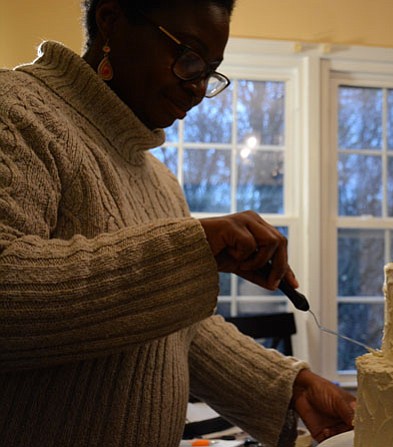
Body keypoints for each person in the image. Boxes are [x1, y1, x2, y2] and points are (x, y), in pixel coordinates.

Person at [0, 0, 355, 445]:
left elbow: (174, 332)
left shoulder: (162, 182)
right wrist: (191, 249)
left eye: (210, 71)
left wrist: (293, 386)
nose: (197, 87)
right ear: (110, 20)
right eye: (188, 56)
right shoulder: (15, 112)